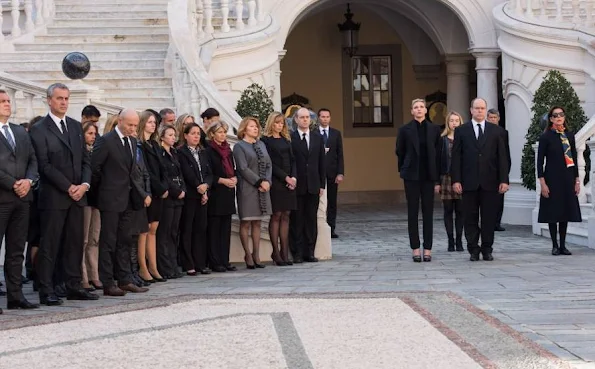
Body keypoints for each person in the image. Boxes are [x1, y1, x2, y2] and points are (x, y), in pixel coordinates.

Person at [30, 83, 98, 305]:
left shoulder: (76, 126)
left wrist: (84, 185)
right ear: (49, 100)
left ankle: (73, 284)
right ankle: (46, 288)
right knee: (50, 244)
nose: (63, 102)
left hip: (78, 197)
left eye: (66, 98)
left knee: (75, 242)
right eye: (59, 98)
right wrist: (68, 186)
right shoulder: (39, 129)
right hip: (54, 197)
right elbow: (44, 165)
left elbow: (86, 161)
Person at [91, 108, 149, 296]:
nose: (133, 129)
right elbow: (95, 170)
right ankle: (108, 282)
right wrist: (103, 193)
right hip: (110, 200)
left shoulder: (132, 141)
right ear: (120, 121)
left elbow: (133, 172)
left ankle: (125, 279)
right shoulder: (105, 141)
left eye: (135, 125)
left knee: (125, 240)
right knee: (108, 242)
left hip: (129, 201)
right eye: (130, 125)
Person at [451, 98, 509, 262]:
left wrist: (504, 180)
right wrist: (456, 180)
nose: (479, 111)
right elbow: (456, 157)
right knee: (470, 217)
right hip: (468, 182)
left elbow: (503, 158)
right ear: (471, 110)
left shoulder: (496, 131)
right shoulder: (461, 131)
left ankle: (487, 248)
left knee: (489, 217)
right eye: (476, 108)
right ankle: (473, 249)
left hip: (491, 182)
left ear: (485, 110)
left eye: (482, 108)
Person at [0, 89, 39, 312]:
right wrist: (12, 183)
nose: (7, 104)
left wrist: (29, 180)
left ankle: (15, 296)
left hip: (23, 199)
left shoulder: (19, 131)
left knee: (16, 250)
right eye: (2, 101)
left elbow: (33, 160)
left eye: (8, 100)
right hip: (2, 197)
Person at [395, 98, 441, 262]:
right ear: (412, 111)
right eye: (416, 107)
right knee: (412, 212)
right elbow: (399, 151)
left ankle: (427, 249)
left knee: (428, 213)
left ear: (426, 110)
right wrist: (404, 169)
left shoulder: (435, 129)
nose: (419, 109)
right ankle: (415, 248)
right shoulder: (405, 129)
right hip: (411, 176)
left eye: (422, 107)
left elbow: (439, 154)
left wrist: (438, 179)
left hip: (429, 176)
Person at [537, 106, 582, 256]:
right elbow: (539, 162)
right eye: (555, 115)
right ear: (551, 119)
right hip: (552, 178)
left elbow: (574, 158)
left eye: (561, 115)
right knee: (553, 212)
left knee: (565, 211)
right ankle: (554, 245)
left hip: (567, 178)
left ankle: (563, 245)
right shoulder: (546, 137)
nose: (558, 117)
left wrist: (577, 180)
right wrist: (542, 183)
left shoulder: (569, 135)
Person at [233, 117, 273, 269]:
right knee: (246, 221)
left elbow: (269, 165)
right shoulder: (239, 147)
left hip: (263, 188)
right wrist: (259, 182)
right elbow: (243, 168)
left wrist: (268, 181)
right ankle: (247, 254)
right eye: (252, 126)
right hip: (248, 188)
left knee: (257, 222)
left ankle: (256, 254)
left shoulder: (261, 144)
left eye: (256, 126)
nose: (255, 129)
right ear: (244, 129)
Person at [290, 107, 325, 263]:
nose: (305, 120)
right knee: (297, 220)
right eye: (302, 117)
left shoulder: (317, 138)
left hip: (313, 185)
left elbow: (321, 163)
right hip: (297, 185)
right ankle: (297, 252)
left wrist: (322, 185)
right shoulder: (291, 138)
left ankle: (309, 251)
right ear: (296, 120)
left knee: (311, 219)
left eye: (307, 117)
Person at [261, 112, 297, 266]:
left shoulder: (287, 139)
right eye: (276, 123)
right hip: (276, 181)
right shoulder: (265, 141)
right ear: (271, 124)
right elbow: (270, 164)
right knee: (276, 215)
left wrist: (293, 177)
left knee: (286, 215)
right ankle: (276, 252)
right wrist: (285, 178)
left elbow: (293, 160)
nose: (279, 125)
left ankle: (285, 252)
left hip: (289, 181)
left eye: (282, 123)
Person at [178, 123, 213, 275]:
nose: (196, 136)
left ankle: (200, 263)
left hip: (203, 195)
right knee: (188, 230)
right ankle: (188, 263)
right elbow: (186, 172)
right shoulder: (181, 152)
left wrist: (206, 187)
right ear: (185, 135)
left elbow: (209, 172)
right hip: (191, 195)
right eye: (193, 133)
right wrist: (198, 186)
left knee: (201, 229)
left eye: (198, 133)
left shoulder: (203, 152)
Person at [137, 110, 168, 283]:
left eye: (154, 122)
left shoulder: (155, 145)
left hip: (159, 193)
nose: (152, 125)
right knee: (144, 230)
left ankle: (153, 267)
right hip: (148, 192)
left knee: (153, 230)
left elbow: (161, 168)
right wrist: (157, 188)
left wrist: (163, 187)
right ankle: (143, 267)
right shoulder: (139, 145)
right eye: (149, 122)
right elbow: (146, 171)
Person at [205, 121, 237, 272]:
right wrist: (223, 180)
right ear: (212, 134)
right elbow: (209, 173)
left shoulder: (228, 150)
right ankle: (215, 261)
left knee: (226, 229)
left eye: (224, 132)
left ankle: (225, 260)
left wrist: (234, 178)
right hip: (216, 193)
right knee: (215, 229)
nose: (223, 135)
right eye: (219, 132)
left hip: (228, 193)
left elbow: (233, 168)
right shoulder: (208, 150)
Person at [156, 124, 186, 279]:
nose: (173, 138)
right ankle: (165, 267)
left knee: (174, 233)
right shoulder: (160, 153)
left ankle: (174, 265)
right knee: (165, 233)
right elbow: (164, 176)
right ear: (162, 137)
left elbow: (180, 174)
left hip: (179, 197)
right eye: (170, 135)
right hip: (169, 197)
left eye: (174, 135)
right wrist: (176, 191)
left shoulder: (174, 152)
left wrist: (183, 190)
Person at [439, 112, 464, 252]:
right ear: (448, 123)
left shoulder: (465, 139)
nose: (454, 123)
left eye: (457, 121)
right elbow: (438, 161)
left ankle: (459, 240)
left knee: (461, 211)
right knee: (448, 210)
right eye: (452, 121)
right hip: (446, 178)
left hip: (461, 178)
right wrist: (437, 182)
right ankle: (450, 241)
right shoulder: (442, 140)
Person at [81, 122, 102, 291]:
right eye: (89, 133)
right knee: (84, 239)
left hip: (97, 199)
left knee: (94, 239)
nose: (93, 136)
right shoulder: (81, 152)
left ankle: (94, 274)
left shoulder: (97, 151)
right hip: (85, 199)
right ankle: (83, 277)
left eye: (94, 133)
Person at [317, 108, 344, 239]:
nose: (325, 119)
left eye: (327, 116)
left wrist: (340, 173)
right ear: (318, 118)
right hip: (317, 173)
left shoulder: (336, 134)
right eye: (322, 116)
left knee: (332, 201)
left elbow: (340, 155)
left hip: (332, 172)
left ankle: (331, 228)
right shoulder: (313, 133)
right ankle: (318, 226)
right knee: (318, 200)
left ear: (330, 118)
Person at [487, 109, 511, 232]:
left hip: (499, 169)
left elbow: (506, 152)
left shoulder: (503, 132)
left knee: (499, 198)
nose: (492, 120)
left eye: (494, 117)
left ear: (499, 118)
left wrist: (506, 171)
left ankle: (497, 222)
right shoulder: (483, 131)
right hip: (487, 170)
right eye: (490, 117)